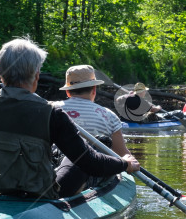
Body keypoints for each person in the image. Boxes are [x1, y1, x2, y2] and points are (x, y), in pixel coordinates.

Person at [0, 37, 139, 200]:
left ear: (0, 72)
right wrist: (125, 164)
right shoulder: (52, 114)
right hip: (29, 196)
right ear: (36, 75)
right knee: (91, 147)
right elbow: (90, 162)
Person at [54, 65, 139, 195]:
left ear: (68, 91)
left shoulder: (52, 109)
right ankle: (81, 183)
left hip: (54, 166)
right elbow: (121, 153)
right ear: (94, 89)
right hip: (91, 171)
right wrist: (130, 161)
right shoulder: (109, 115)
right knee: (106, 150)